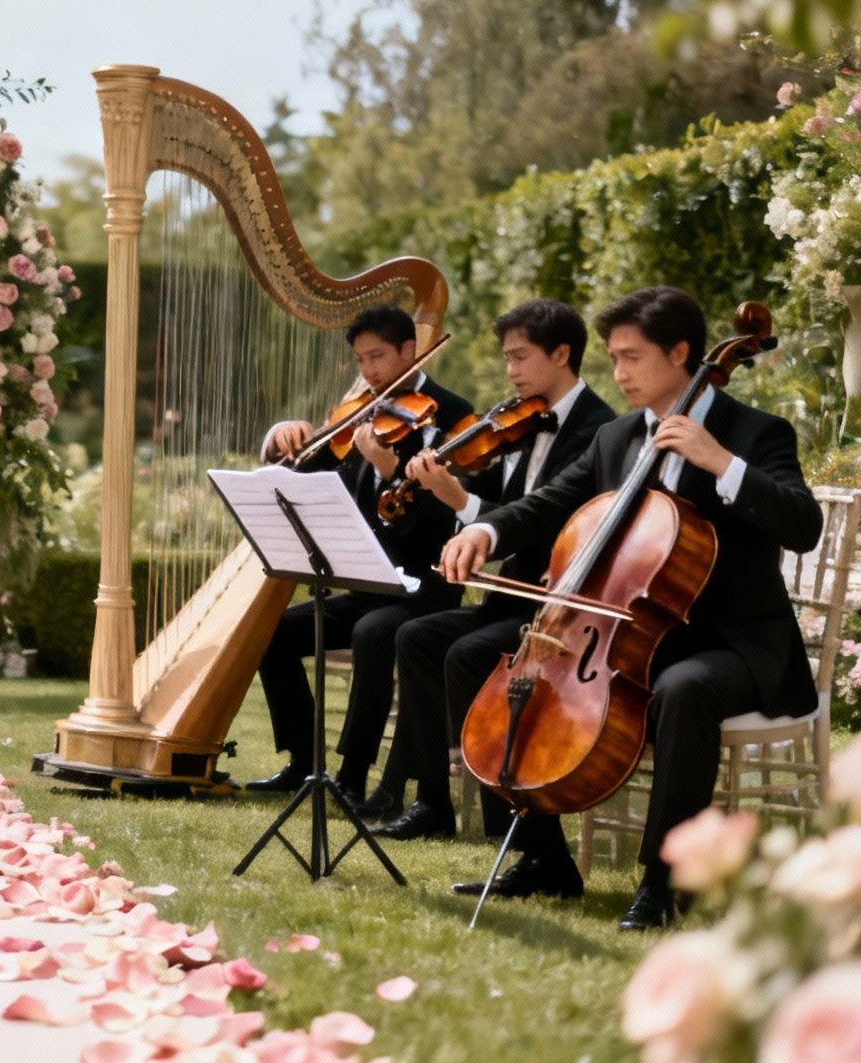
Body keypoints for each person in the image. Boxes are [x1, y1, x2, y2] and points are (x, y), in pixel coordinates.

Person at [436, 286, 821, 930]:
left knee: (683, 689)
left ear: (681, 353)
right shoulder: (617, 437)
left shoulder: (754, 431)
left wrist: (720, 462)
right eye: (612, 358)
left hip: (731, 642)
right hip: (631, 632)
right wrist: (488, 531)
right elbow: (549, 503)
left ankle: (663, 880)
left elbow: (803, 524)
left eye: (632, 357)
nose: (618, 374)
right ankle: (542, 859)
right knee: (476, 657)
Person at [362, 298, 616, 830]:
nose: (511, 371)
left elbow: (545, 523)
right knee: (416, 637)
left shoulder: (599, 432)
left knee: (465, 652)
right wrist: (434, 489)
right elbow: (492, 505)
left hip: (556, 610)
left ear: (563, 353)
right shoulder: (517, 422)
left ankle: (512, 826)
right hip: (509, 599)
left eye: (520, 357)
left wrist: (460, 501)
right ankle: (432, 803)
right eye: (507, 359)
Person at [246, 305, 473, 799]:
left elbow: (445, 519)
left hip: (423, 590)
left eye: (378, 357)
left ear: (409, 352)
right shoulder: (356, 414)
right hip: (366, 581)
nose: (368, 371)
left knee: (372, 633)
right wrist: (281, 437)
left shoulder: (452, 415)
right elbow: (299, 474)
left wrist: (391, 468)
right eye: (360, 360)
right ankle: (305, 763)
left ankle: (350, 777)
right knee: (273, 634)